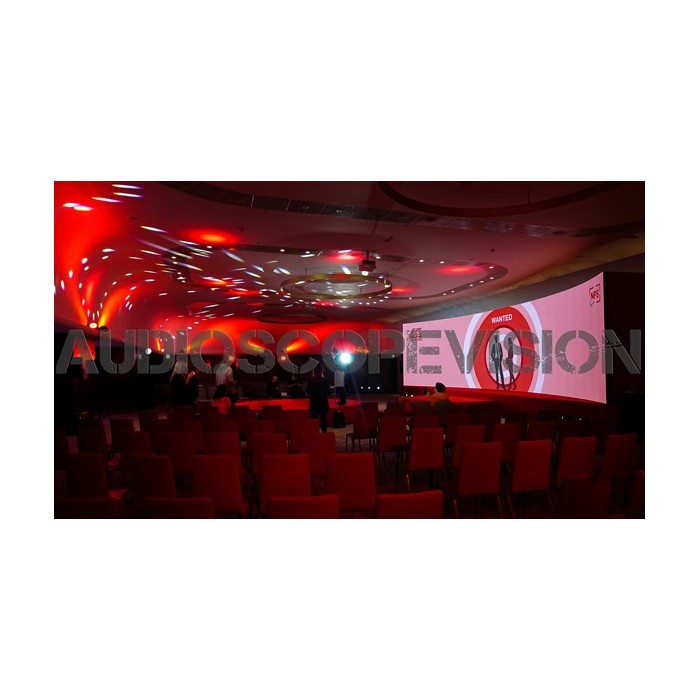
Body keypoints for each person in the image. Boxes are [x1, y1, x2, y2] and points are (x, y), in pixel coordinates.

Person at [306, 366, 332, 432]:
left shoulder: (311, 381)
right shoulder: (325, 381)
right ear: (322, 371)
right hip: (323, 403)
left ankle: (315, 435)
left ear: (314, 372)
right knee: (323, 422)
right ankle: (324, 435)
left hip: (314, 403)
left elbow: (308, 391)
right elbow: (329, 392)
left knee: (314, 422)